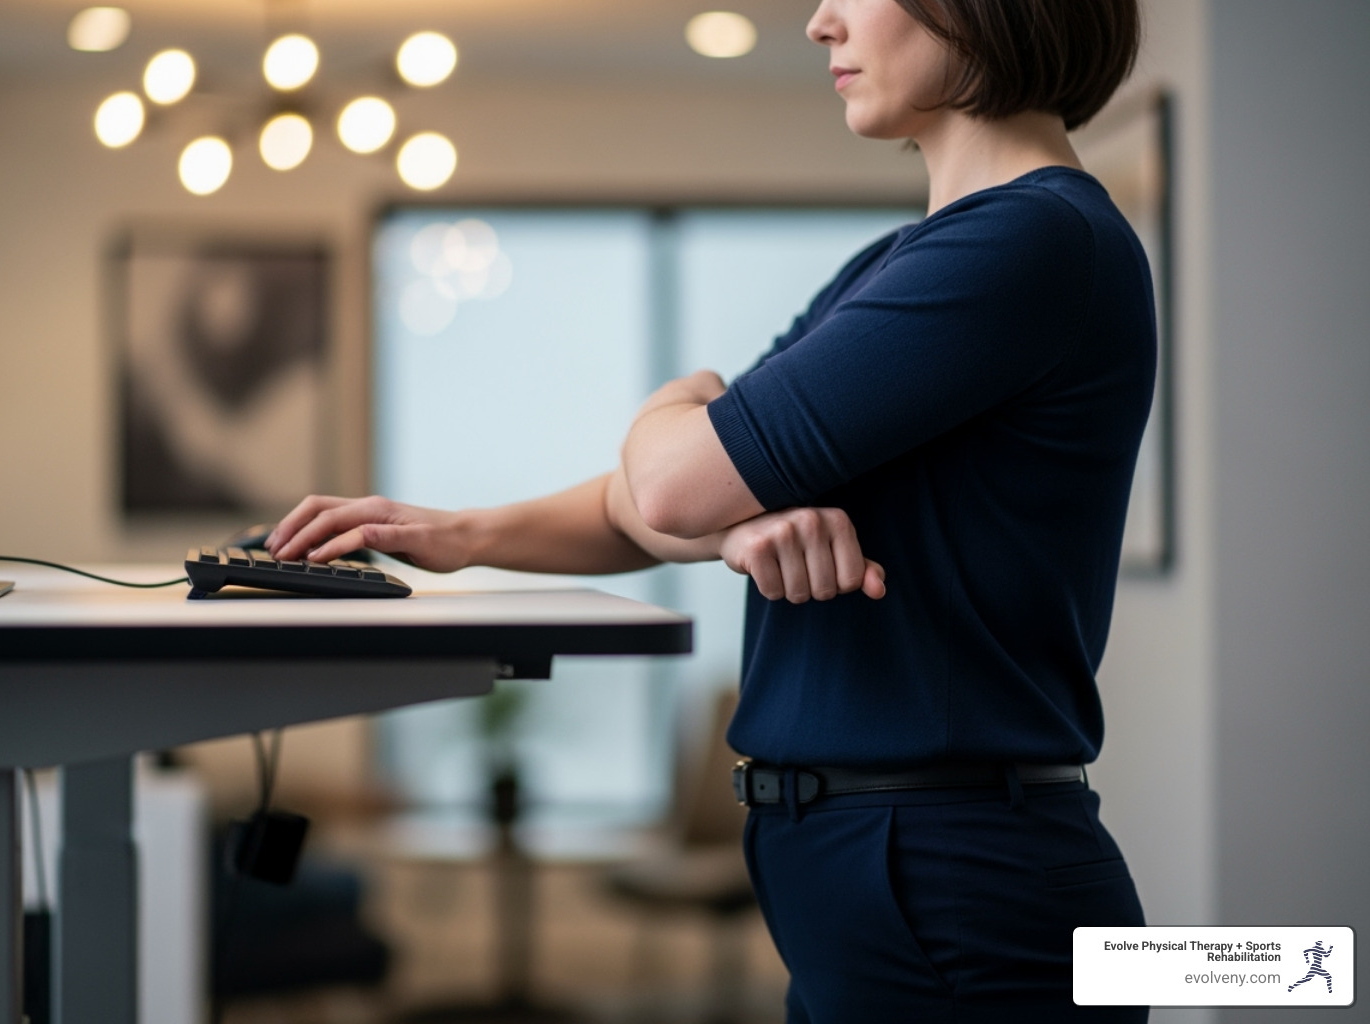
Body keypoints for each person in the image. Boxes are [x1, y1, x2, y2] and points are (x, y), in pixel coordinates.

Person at [269, 0, 1151, 1018]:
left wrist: (669, 408)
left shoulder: (1028, 240)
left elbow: (672, 483)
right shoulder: (892, 268)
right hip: (869, 863)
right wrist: (456, 535)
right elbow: (652, 505)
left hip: (951, 876)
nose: (820, 22)